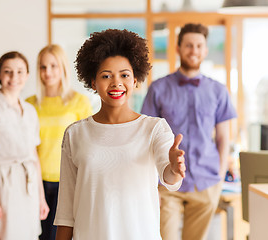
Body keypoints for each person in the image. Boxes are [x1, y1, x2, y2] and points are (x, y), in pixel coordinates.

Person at [54, 29, 186, 240]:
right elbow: (66, 213)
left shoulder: (154, 129)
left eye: (124, 75)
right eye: (106, 76)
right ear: (93, 82)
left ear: (135, 80)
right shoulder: (75, 134)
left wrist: (174, 167)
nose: (116, 83)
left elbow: (170, 179)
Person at [141, 23, 237, 240]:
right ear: (178, 48)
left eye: (198, 46)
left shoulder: (218, 91)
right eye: (188, 45)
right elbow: (147, 137)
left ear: (205, 50)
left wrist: (220, 177)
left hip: (206, 181)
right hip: (167, 183)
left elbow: (223, 138)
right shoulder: (158, 88)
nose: (193, 50)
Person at [0, 51, 49, 239]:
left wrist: (41, 198)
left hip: (28, 185)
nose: (14, 77)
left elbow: (34, 156)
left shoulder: (30, 111)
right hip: (1, 184)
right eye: (8, 71)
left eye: (19, 71)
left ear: (27, 75)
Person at [26, 44, 92, 240]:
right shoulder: (29, 104)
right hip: (36, 182)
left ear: (63, 67)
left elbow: (86, 144)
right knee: (40, 236)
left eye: (53, 66)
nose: (48, 72)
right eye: (43, 67)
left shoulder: (79, 102)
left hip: (67, 180)